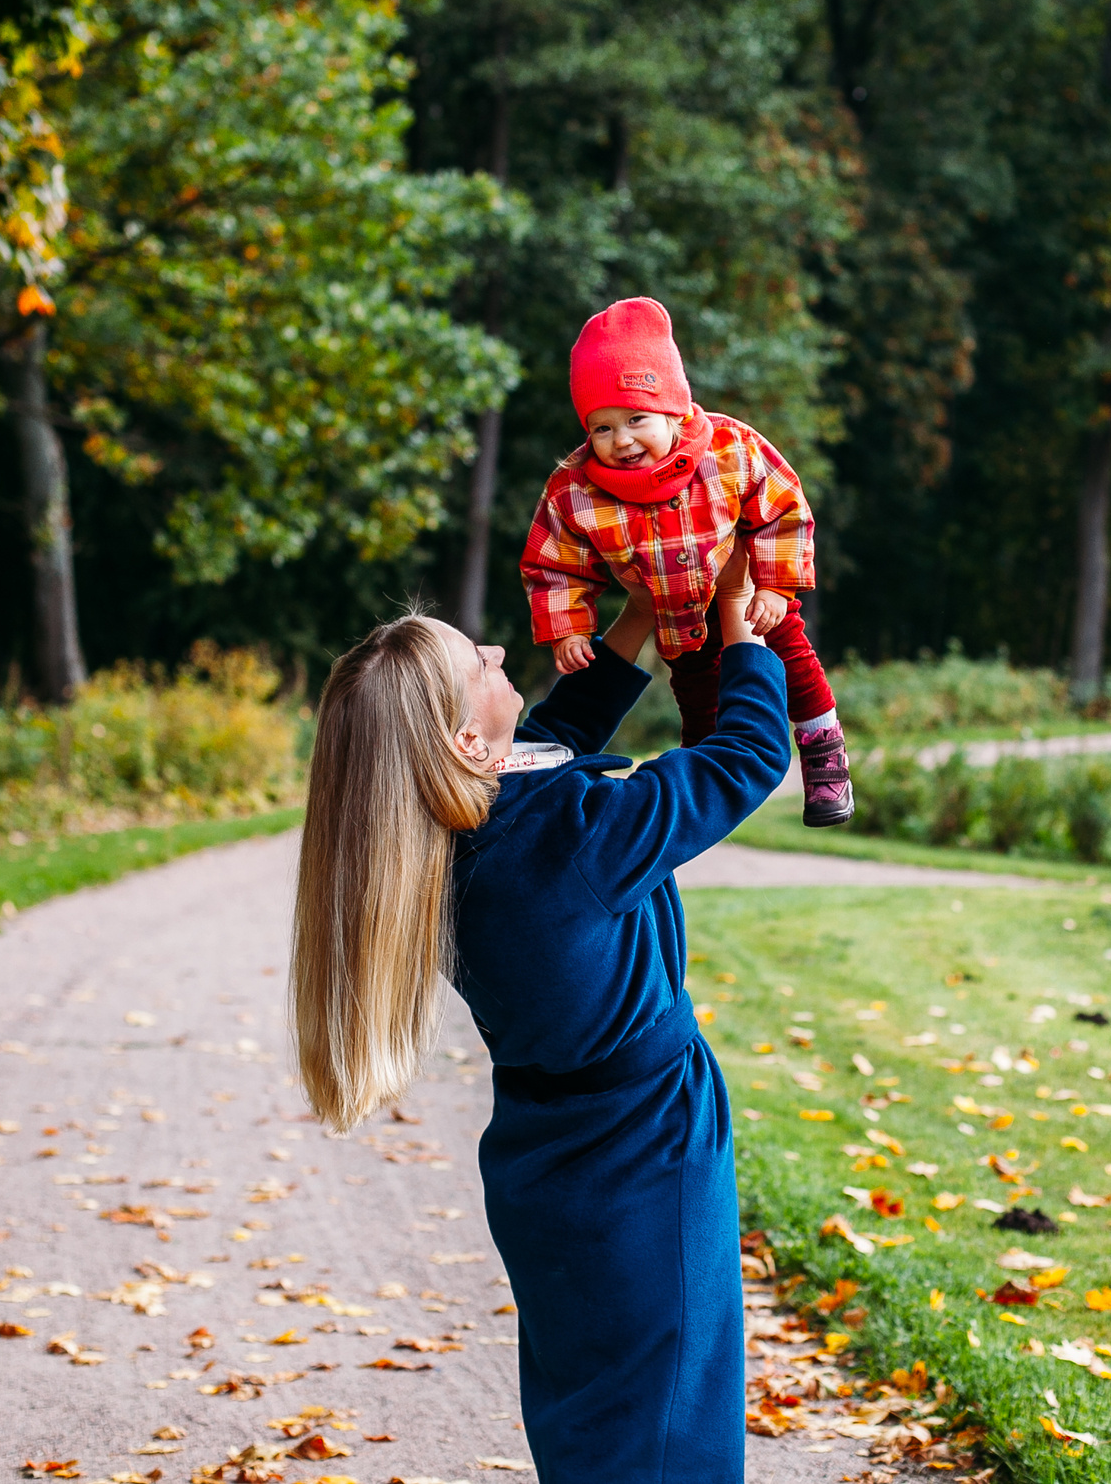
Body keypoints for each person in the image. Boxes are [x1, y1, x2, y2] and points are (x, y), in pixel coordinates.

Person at [292, 551, 786, 1484]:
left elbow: (549, 743)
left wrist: (637, 616)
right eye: (476, 664)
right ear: (467, 748)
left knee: (596, 1416)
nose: (493, 647)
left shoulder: (441, 843)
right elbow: (750, 758)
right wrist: (737, 623)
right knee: (671, 1422)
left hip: (548, 1162)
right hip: (645, 1151)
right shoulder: (574, 844)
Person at [519, 295, 852, 826]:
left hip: (753, 601)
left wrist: (772, 585)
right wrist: (569, 629)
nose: (621, 440)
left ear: (673, 409)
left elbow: (783, 508)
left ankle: (823, 749)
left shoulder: (728, 449)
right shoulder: (575, 489)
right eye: (602, 428)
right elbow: (553, 562)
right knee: (700, 709)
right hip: (677, 621)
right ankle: (708, 796)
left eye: (636, 419)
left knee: (796, 666)